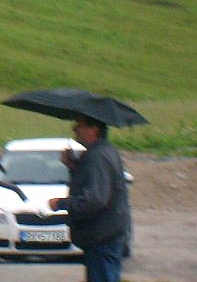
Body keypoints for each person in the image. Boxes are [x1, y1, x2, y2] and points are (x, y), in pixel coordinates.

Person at [48, 115, 130, 282]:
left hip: (102, 236)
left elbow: (95, 200)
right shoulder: (103, 151)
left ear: (94, 130)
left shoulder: (97, 156)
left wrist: (61, 203)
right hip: (106, 233)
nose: (75, 129)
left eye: (80, 125)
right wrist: (73, 166)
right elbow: (94, 185)